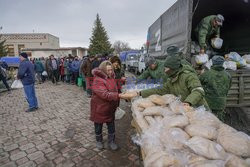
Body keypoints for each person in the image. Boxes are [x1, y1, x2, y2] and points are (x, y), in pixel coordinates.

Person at [127, 55, 209, 109]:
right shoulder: (171, 79)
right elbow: (159, 90)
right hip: (186, 109)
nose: (164, 71)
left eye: (166, 68)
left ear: (173, 68)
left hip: (199, 109)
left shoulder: (188, 76)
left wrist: (188, 102)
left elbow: (198, 90)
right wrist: (139, 93)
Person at [90, 60, 127, 150]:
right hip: (100, 107)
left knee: (111, 125)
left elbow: (115, 88)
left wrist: (121, 84)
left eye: (111, 70)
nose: (110, 72)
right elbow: (105, 94)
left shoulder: (111, 78)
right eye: (108, 70)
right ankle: (99, 140)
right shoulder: (97, 80)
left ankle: (111, 141)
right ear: (103, 70)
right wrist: (118, 95)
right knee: (98, 125)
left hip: (110, 108)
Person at [200, 56, 232, 121]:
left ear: (213, 62)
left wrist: (201, 74)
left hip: (209, 103)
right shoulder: (228, 75)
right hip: (221, 103)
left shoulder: (206, 74)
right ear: (222, 63)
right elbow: (228, 87)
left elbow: (198, 84)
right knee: (220, 122)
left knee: (208, 121)